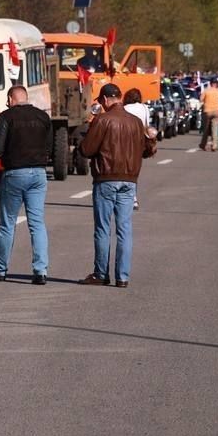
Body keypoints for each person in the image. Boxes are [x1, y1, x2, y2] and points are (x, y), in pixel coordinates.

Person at [78, 84, 155, 288]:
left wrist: (87, 130)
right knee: (124, 229)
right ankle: (123, 276)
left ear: (104, 99)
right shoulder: (136, 122)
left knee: (103, 228)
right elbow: (146, 151)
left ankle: (101, 273)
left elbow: (86, 150)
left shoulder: (103, 120)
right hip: (130, 180)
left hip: (106, 178)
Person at [0, 86, 51, 285]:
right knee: (37, 223)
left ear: (11, 98)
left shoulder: (7, 116)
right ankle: (40, 271)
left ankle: (0, 269)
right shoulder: (42, 117)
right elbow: (50, 145)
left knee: (7, 224)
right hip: (38, 173)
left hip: (15, 174)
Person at [198, 80, 218, 152]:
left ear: (210, 84)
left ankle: (203, 144)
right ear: (216, 84)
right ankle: (214, 145)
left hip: (207, 111)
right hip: (216, 111)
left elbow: (201, 99)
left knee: (206, 129)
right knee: (215, 129)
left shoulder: (206, 91)